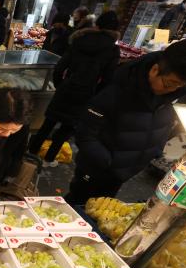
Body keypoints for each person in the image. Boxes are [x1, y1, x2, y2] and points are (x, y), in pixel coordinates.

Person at [65, 37, 186, 205]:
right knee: (77, 204)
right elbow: (85, 133)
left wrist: (154, 150)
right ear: (155, 70)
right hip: (97, 169)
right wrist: (107, 161)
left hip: (124, 172)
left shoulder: (172, 95)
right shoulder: (118, 90)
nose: (172, 90)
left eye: (180, 86)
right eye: (169, 84)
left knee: (100, 206)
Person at [29, 11, 121, 167]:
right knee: (66, 129)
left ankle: (31, 153)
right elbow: (107, 79)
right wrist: (94, 94)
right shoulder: (112, 50)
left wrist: (60, 85)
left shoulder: (79, 40)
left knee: (48, 123)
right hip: (86, 94)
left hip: (66, 87)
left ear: (97, 25)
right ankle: (48, 159)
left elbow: (59, 68)